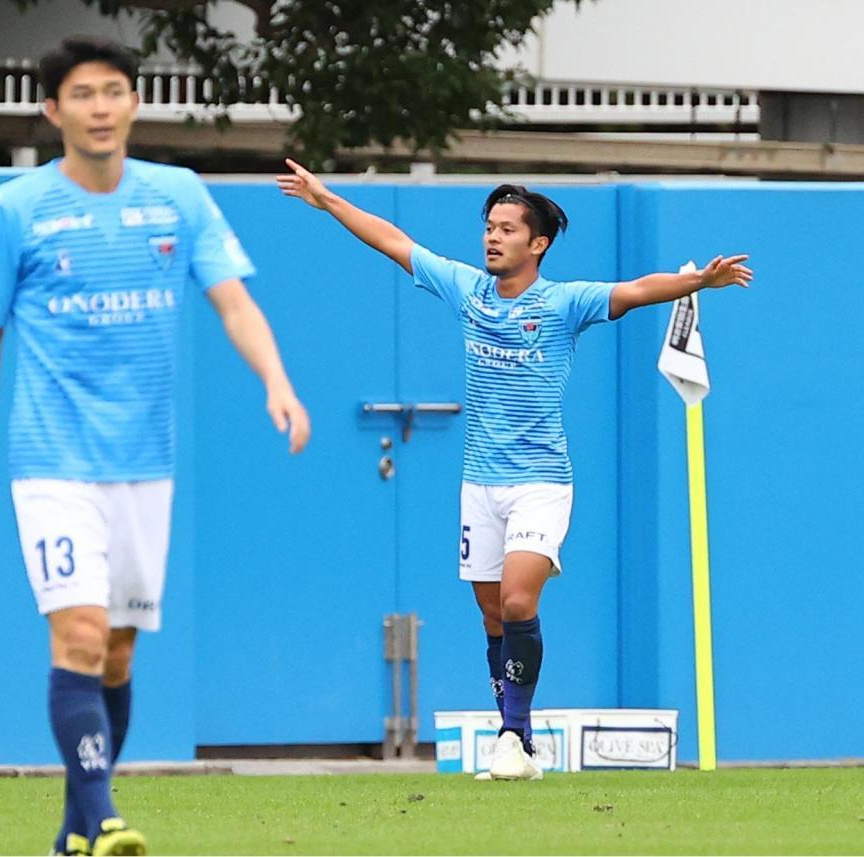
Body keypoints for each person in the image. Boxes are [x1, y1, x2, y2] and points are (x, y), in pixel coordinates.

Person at [0, 37, 310, 856]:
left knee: (115, 650)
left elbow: (234, 303)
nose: (101, 107)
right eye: (83, 94)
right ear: (53, 110)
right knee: (76, 634)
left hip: (147, 463)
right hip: (51, 460)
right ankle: (106, 815)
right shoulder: (16, 207)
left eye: (115, 91)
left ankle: (73, 831)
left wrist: (276, 382)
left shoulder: (177, 196)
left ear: (134, 103)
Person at [277, 159, 749, 781]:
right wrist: (327, 199)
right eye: (489, 227)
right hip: (480, 485)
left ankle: (510, 735)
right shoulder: (468, 290)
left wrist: (698, 285)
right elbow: (395, 242)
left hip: (541, 483)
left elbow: (635, 290)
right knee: (494, 615)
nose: (491, 237)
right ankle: (521, 748)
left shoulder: (564, 302)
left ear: (538, 243)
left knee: (520, 598)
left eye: (506, 228)